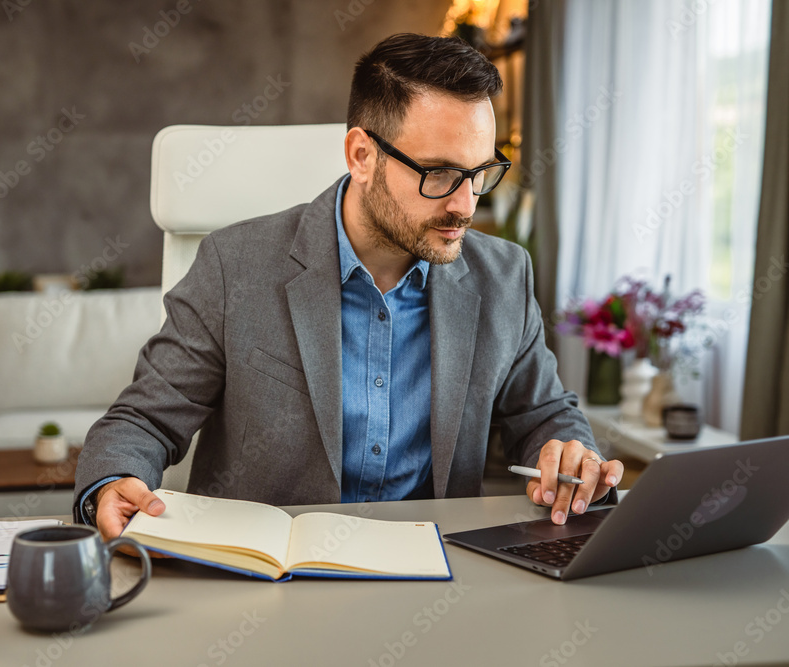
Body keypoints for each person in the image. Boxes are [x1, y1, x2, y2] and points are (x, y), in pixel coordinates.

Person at [74, 33, 623, 539]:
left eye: (480, 173)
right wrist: (113, 481)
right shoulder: (233, 265)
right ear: (362, 156)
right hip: (268, 574)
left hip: (435, 571)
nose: (465, 204)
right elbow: (144, 420)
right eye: (438, 173)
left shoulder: (504, 276)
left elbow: (544, 415)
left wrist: (571, 454)